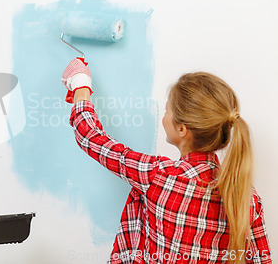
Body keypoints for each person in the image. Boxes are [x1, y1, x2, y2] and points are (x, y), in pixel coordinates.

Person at [61, 59, 272, 264]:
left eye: (166, 110)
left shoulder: (159, 177)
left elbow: (92, 137)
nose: (163, 117)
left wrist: (81, 84)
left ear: (182, 129)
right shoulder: (246, 197)